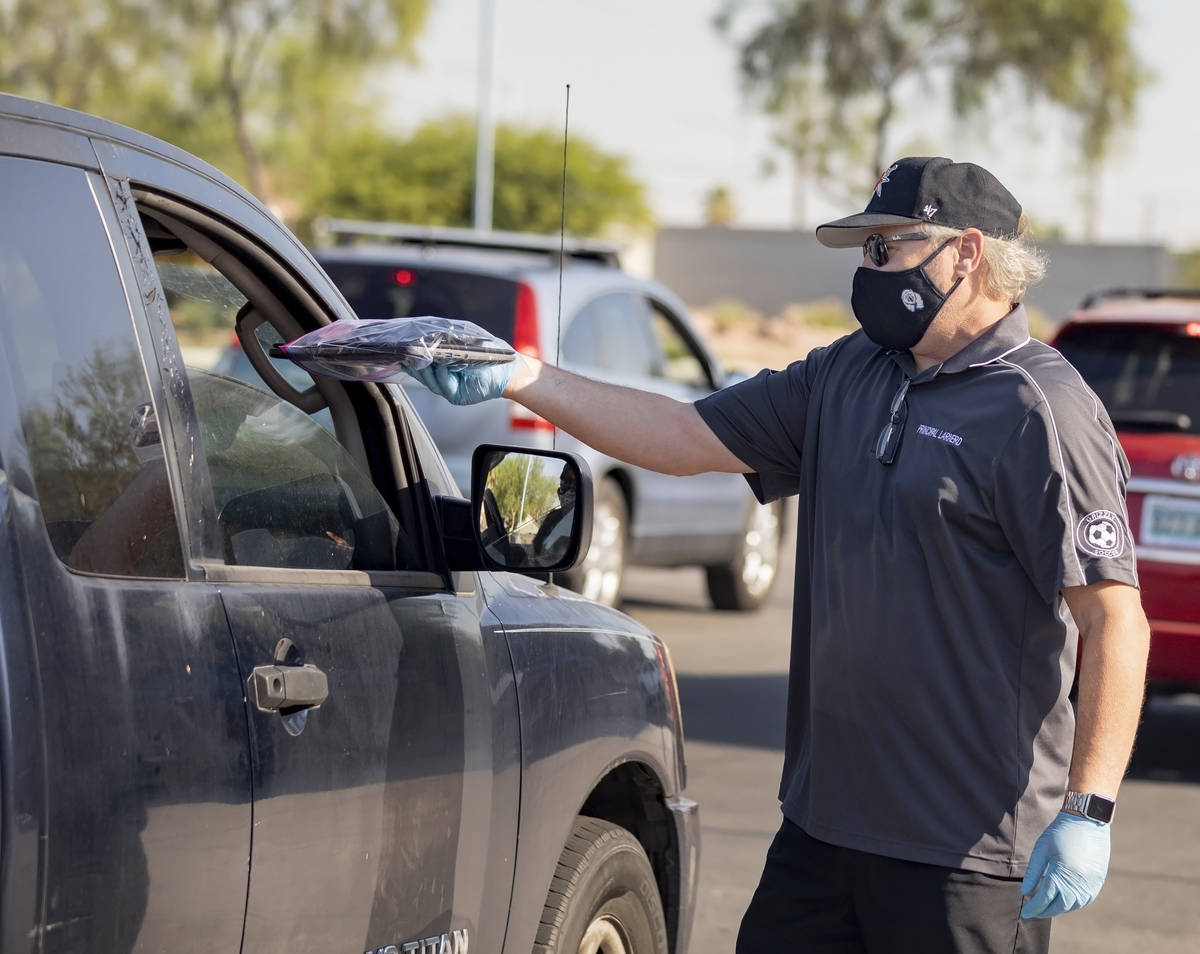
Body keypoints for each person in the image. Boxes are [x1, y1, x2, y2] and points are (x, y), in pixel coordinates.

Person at [407, 156, 1150, 953]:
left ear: (965, 254)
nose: (864, 274)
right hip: (823, 835)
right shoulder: (846, 373)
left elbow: (1115, 622)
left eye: (883, 250)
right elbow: (685, 434)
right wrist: (522, 377)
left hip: (965, 855)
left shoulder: (1042, 410)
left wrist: (1088, 811)